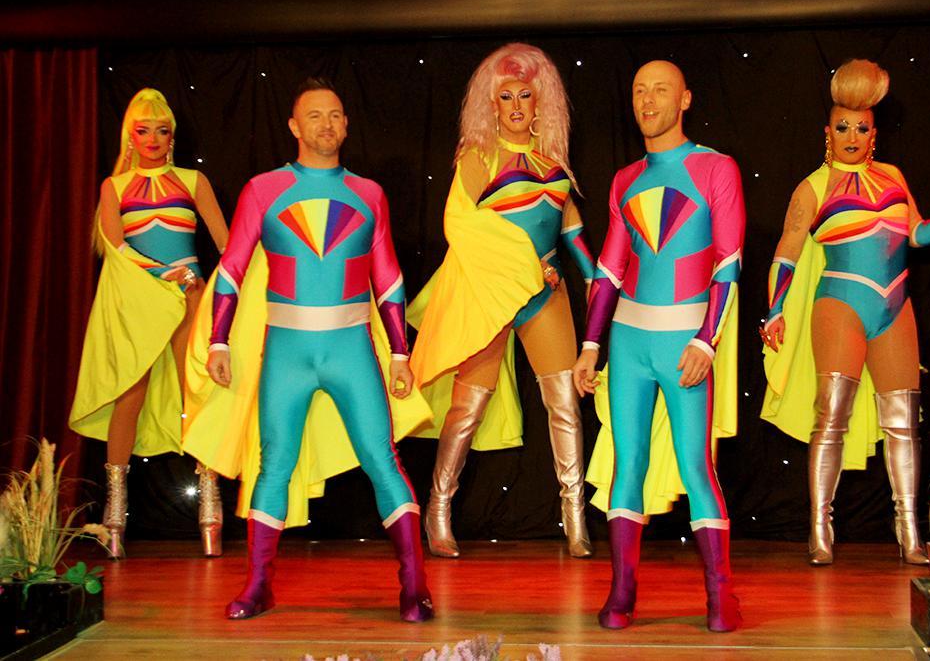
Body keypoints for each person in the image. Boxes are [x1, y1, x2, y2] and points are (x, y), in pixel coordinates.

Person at [197, 78, 433, 622]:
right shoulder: (263, 189)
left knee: (382, 459)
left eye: (335, 115)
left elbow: (388, 279)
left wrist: (400, 353)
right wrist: (218, 339)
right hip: (287, 349)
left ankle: (414, 584)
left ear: (346, 125)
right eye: (315, 116)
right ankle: (258, 585)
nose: (326, 124)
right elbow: (231, 269)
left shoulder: (369, 193)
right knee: (273, 464)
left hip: (351, 346)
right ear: (294, 126)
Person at [760, 59, 930, 566]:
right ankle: (820, 528)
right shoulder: (813, 188)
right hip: (841, 305)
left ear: (874, 134)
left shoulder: (893, 177)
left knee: (903, 422)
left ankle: (910, 534)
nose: (852, 136)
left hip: (895, 308)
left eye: (861, 128)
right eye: (843, 127)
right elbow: (786, 254)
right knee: (831, 415)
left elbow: (916, 234)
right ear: (827, 133)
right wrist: (774, 311)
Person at [573, 60, 744, 632]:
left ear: (685, 99)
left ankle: (720, 596)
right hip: (629, 341)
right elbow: (609, 270)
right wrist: (591, 345)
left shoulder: (716, 168)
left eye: (660, 90)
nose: (648, 100)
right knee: (628, 465)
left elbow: (728, 262)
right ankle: (621, 594)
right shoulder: (625, 179)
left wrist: (707, 340)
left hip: (685, 338)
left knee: (696, 466)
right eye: (639, 90)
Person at [408, 43, 596, 559]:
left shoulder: (553, 163)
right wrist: (526, 266)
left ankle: (575, 516)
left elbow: (572, 234)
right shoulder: (477, 159)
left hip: (544, 295)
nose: (516, 105)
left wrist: (595, 282)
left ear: (540, 103)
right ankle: (438, 509)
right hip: (489, 295)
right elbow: (459, 226)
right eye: (506, 96)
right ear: (492, 104)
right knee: (467, 407)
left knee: (564, 404)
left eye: (525, 95)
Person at [69, 88, 229, 559]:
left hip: (189, 299)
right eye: (144, 130)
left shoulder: (192, 180)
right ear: (130, 136)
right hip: (140, 303)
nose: (154, 139)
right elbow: (116, 247)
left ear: (172, 136)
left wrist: (222, 286)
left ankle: (210, 506)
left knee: (197, 394)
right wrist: (162, 274)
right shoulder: (114, 187)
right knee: (130, 394)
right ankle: (114, 514)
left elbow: (227, 243)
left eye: (162, 130)